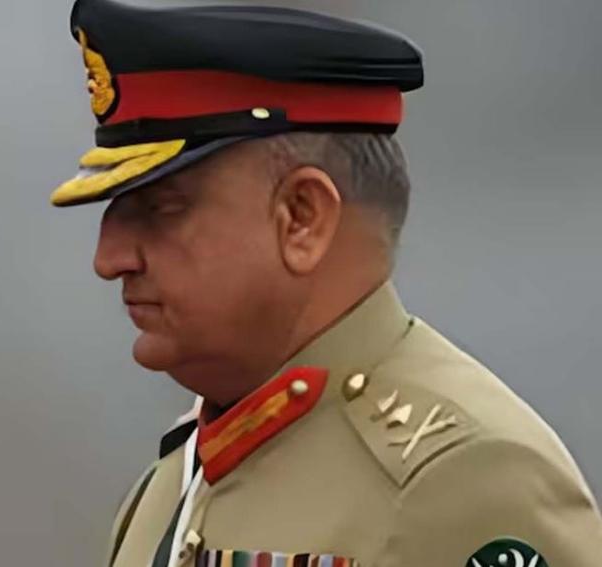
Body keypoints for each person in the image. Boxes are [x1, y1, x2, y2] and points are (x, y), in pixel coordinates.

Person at [50, 1, 602, 565]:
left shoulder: (461, 478)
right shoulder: (179, 475)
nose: (109, 259)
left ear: (302, 218)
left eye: (162, 209)